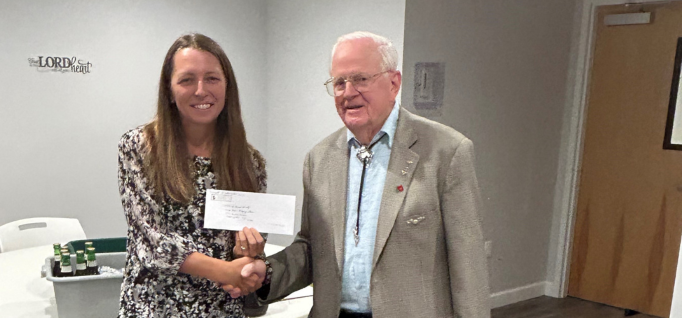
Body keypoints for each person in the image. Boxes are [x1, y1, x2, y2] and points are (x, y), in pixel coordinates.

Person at [230, 31, 490, 318]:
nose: (348, 92)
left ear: (394, 83)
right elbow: (312, 249)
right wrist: (266, 274)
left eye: (361, 79)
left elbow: (469, 267)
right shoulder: (319, 159)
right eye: (339, 83)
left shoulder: (446, 152)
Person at [117, 33, 267, 318]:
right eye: (187, 80)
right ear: (169, 90)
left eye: (212, 78)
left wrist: (248, 256)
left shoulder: (249, 161)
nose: (201, 90)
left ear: (227, 87)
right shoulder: (140, 147)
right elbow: (152, 242)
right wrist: (226, 270)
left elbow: (249, 245)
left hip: (223, 307)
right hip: (155, 307)